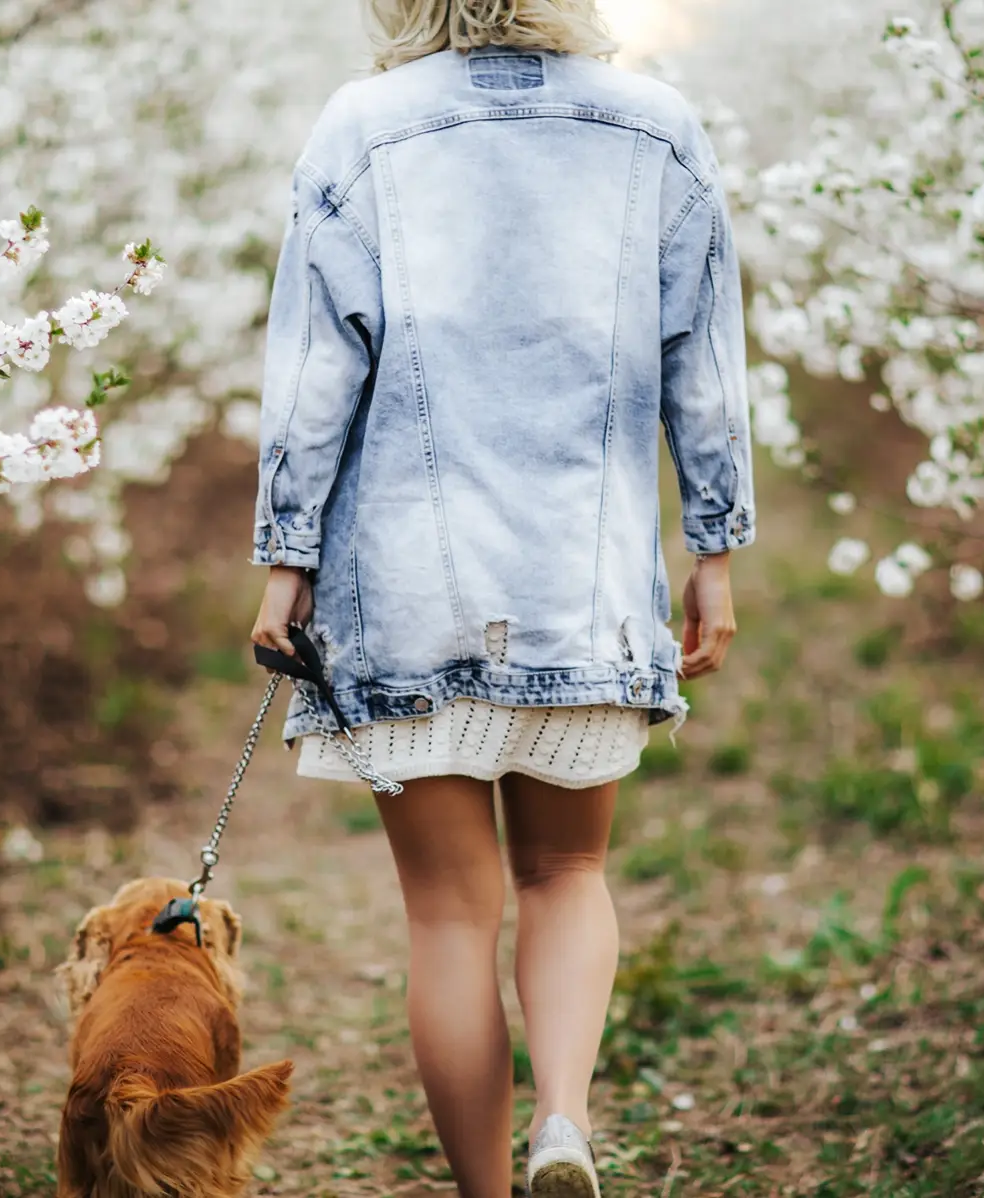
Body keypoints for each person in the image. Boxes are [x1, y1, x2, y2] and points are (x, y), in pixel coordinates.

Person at [248, 2, 756, 1195]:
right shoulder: (659, 126)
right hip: (584, 587)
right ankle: (564, 1123)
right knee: (567, 876)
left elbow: (316, 370)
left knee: (449, 915)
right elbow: (708, 362)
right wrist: (716, 546)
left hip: (409, 585)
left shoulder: (363, 127)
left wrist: (288, 552)